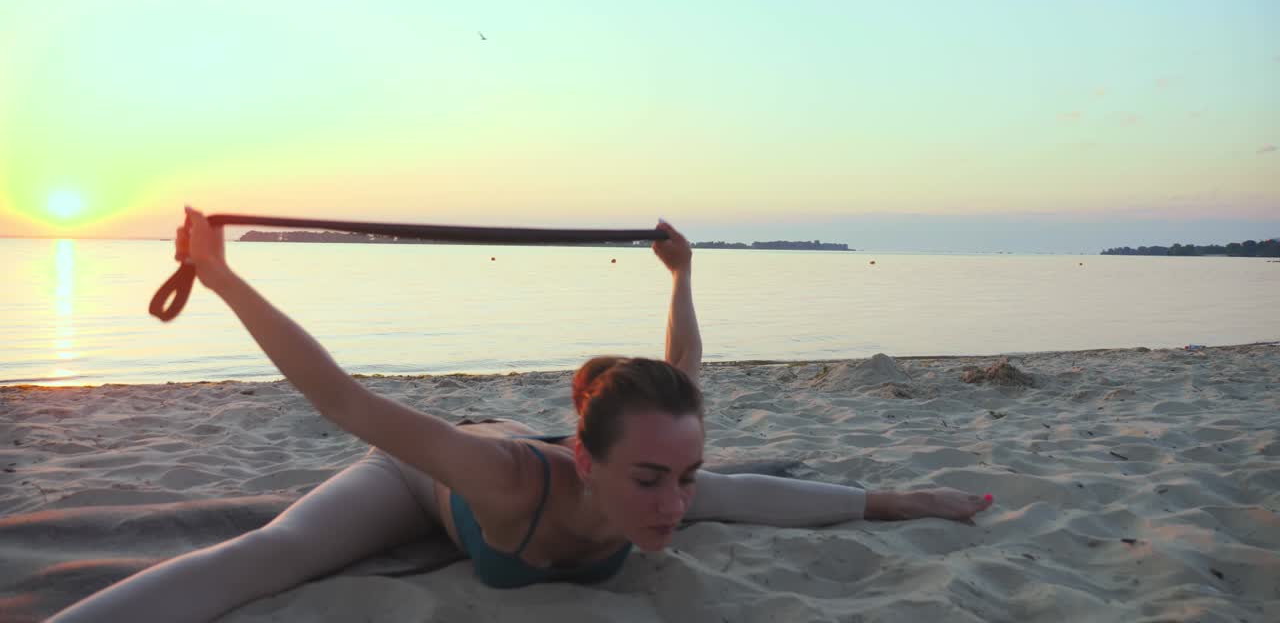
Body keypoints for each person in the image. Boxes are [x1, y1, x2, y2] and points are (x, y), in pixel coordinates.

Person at [50, 207, 993, 622]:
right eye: (655, 481)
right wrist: (220, 277)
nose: (677, 505)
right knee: (273, 555)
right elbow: (341, 399)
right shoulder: (509, 480)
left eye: (683, 480)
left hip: (549, 457)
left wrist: (899, 500)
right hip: (427, 480)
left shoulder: (651, 488)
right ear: (590, 462)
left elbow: (694, 391)